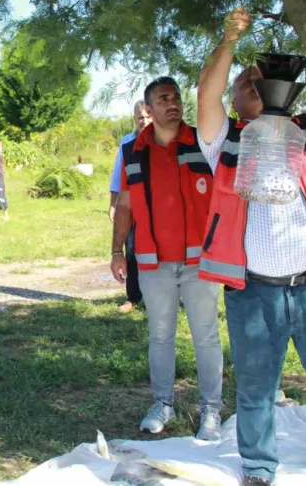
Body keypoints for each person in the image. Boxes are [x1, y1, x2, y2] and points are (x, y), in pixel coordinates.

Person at [196, 8, 306, 486]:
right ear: (236, 95)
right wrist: (229, 40)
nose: (255, 85)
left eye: (264, 79)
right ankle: (259, 468)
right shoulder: (224, 142)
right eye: (246, 80)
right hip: (254, 294)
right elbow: (207, 93)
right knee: (256, 388)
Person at [110, 78, 223, 440]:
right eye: (163, 99)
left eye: (175, 98)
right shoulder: (133, 151)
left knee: (205, 336)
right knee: (160, 335)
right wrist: (116, 251)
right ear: (149, 109)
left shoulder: (203, 143)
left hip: (199, 262)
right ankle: (162, 403)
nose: (172, 104)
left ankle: (211, 410)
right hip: (153, 262)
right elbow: (125, 205)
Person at [109, 101, 152, 312]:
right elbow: (118, 175)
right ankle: (132, 298)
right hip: (131, 206)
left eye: (147, 116)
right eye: (139, 117)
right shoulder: (127, 142)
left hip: (159, 209)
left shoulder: (165, 141)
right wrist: (113, 205)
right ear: (134, 119)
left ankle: (167, 297)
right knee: (132, 250)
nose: (144, 120)